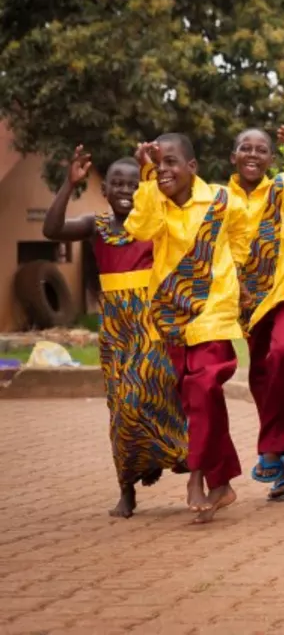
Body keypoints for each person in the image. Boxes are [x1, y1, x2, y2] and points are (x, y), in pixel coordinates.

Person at [42, 148, 188, 518]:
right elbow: (52, 229)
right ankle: (128, 487)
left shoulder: (155, 223)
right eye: (117, 184)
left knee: (149, 390)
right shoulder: (97, 225)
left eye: (133, 184)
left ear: (144, 189)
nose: (125, 190)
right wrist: (70, 184)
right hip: (115, 327)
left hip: (150, 321)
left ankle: (168, 454)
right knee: (120, 406)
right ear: (104, 190)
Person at [126, 134, 251, 524]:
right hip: (172, 315)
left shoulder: (221, 199)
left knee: (203, 387)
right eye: (158, 163)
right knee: (199, 400)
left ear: (192, 167)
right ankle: (223, 483)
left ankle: (196, 476)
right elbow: (141, 230)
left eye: (171, 162)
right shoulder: (156, 202)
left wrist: (237, 278)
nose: (164, 170)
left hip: (213, 312)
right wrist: (145, 178)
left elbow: (243, 237)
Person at [229, 128, 284, 500]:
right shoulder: (218, 199)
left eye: (261, 149)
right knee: (260, 375)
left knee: (282, 352)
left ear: (270, 158)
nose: (252, 154)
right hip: (247, 296)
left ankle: (271, 446)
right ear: (233, 155)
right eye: (245, 148)